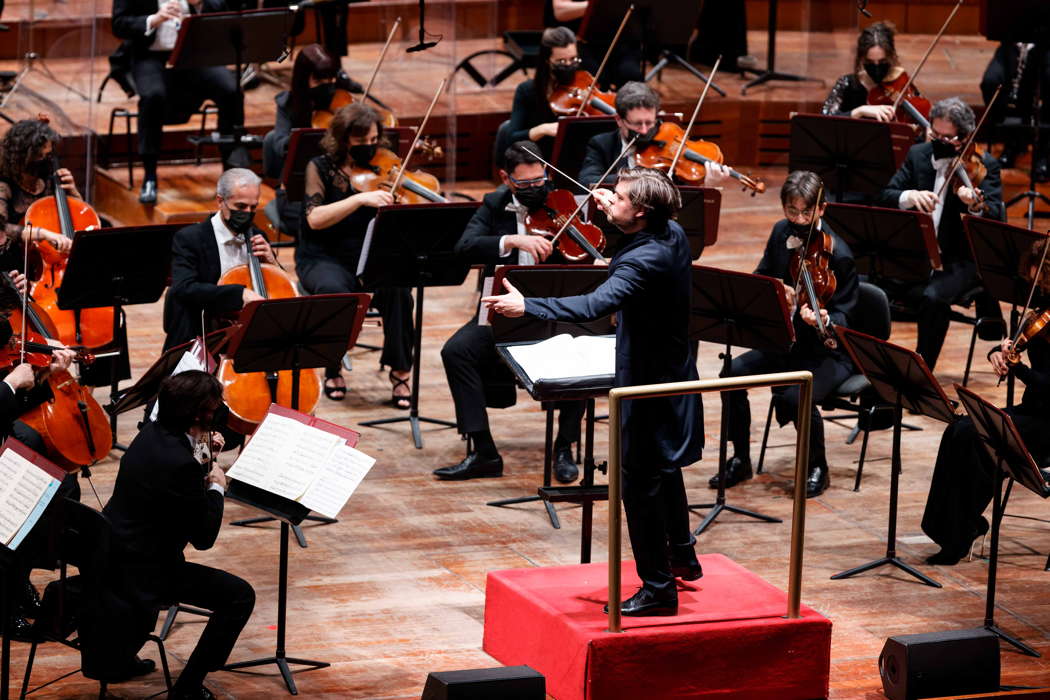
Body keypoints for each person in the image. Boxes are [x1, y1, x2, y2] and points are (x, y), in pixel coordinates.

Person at [483, 167, 703, 617]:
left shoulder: (645, 260)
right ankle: (683, 555)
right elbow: (628, 250)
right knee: (665, 467)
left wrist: (529, 305)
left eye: (618, 197)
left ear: (641, 211)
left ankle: (658, 589)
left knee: (638, 484)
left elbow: (594, 305)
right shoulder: (672, 231)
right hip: (673, 370)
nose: (608, 199)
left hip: (647, 383)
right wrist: (612, 214)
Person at [434, 142, 585, 483]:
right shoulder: (494, 203)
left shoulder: (563, 204)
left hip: (554, 313)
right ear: (506, 178)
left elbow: (587, 255)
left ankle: (564, 446)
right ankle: (483, 451)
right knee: (456, 351)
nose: (536, 189)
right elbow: (465, 247)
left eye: (540, 180)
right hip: (503, 312)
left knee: (580, 351)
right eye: (526, 184)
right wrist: (511, 241)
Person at [103, 370, 255, 699]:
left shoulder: (151, 434)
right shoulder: (179, 464)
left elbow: (176, 481)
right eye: (215, 410)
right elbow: (203, 538)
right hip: (143, 571)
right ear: (199, 414)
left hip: (112, 552)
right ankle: (186, 689)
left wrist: (203, 451)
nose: (219, 416)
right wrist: (216, 485)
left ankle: (119, 661)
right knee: (239, 596)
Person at [713, 170, 859, 499]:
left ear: (822, 209)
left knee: (796, 395)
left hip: (828, 351)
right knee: (729, 374)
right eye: (792, 211)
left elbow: (847, 316)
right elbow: (762, 276)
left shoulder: (841, 255)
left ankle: (816, 466)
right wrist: (777, 288)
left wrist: (824, 318)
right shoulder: (782, 232)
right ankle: (740, 457)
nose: (799, 219)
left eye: (807, 212)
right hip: (787, 342)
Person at [921, 240, 1050, 565]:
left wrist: (1020, 369)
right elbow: (1019, 353)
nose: (1039, 296)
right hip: (1034, 410)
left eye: (1045, 286)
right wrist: (1001, 354)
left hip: (1049, 422)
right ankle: (950, 528)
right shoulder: (1040, 313)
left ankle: (962, 531)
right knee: (958, 428)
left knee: (978, 440)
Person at [295, 102, 413, 407]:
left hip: (369, 255)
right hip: (324, 257)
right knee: (335, 292)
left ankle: (400, 371)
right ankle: (332, 367)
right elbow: (315, 218)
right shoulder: (319, 167)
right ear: (344, 139)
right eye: (362, 142)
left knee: (400, 290)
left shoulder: (384, 167)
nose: (369, 147)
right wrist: (359, 199)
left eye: (374, 141)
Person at [876, 97, 1005, 371]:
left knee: (933, 298)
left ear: (965, 137)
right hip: (919, 253)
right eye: (935, 134)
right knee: (869, 283)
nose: (939, 141)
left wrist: (974, 207)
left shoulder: (984, 166)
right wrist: (909, 196)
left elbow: (995, 219)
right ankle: (873, 366)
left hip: (961, 261)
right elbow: (886, 195)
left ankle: (922, 371)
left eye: (949, 138)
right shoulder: (919, 154)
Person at [111, 0, 247, 204]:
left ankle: (230, 174)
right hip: (149, 55)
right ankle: (149, 176)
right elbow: (119, 23)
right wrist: (154, 19)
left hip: (193, 53)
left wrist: (200, 4)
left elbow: (225, 9)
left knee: (231, 90)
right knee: (152, 96)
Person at [162, 168, 276, 351]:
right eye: (240, 207)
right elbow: (184, 288)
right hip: (201, 333)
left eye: (253, 207)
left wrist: (272, 263)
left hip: (247, 337)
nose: (247, 213)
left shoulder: (258, 237)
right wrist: (239, 293)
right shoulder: (190, 239)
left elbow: (278, 290)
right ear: (220, 201)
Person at [262, 44, 363, 240]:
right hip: (297, 193)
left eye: (331, 78)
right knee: (319, 223)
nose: (328, 84)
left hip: (338, 188)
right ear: (303, 79)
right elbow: (279, 144)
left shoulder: (344, 102)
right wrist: (307, 133)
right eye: (319, 79)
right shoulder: (288, 105)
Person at [577, 81, 731, 188]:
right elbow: (586, 183)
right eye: (637, 124)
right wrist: (638, 175)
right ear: (619, 120)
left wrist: (708, 186)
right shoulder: (602, 144)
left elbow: (684, 199)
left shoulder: (671, 143)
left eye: (649, 123)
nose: (644, 131)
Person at [0, 119, 77, 278]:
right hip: (18, 265)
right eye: (41, 156)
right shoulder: (4, 185)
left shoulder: (50, 182)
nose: (48, 160)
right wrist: (43, 234)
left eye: (49, 155)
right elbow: (2, 229)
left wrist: (74, 192)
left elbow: (83, 219)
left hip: (52, 261)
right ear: (23, 158)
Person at [504, 27, 584, 157]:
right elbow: (512, 138)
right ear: (547, 60)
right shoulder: (527, 91)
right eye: (561, 61)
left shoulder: (583, 85)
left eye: (573, 59)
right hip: (539, 159)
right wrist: (543, 129)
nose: (569, 65)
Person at [822, 21, 916, 122]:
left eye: (882, 61)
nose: (876, 67)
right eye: (869, 62)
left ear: (892, 57)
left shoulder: (900, 82)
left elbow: (921, 115)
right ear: (861, 59)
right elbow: (825, 118)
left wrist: (925, 129)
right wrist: (859, 111)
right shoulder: (847, 83)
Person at [980, 41, 1050, 176]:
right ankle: (1011, 140)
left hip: (1045, 47)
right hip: (1013, 44)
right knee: (990, 81)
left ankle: (1044, 151)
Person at [543, 0, 642, 90]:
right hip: (579, 43)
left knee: (631, 75)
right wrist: (597, 4)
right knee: (595, 78)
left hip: (618, 42)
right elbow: (560, 11)